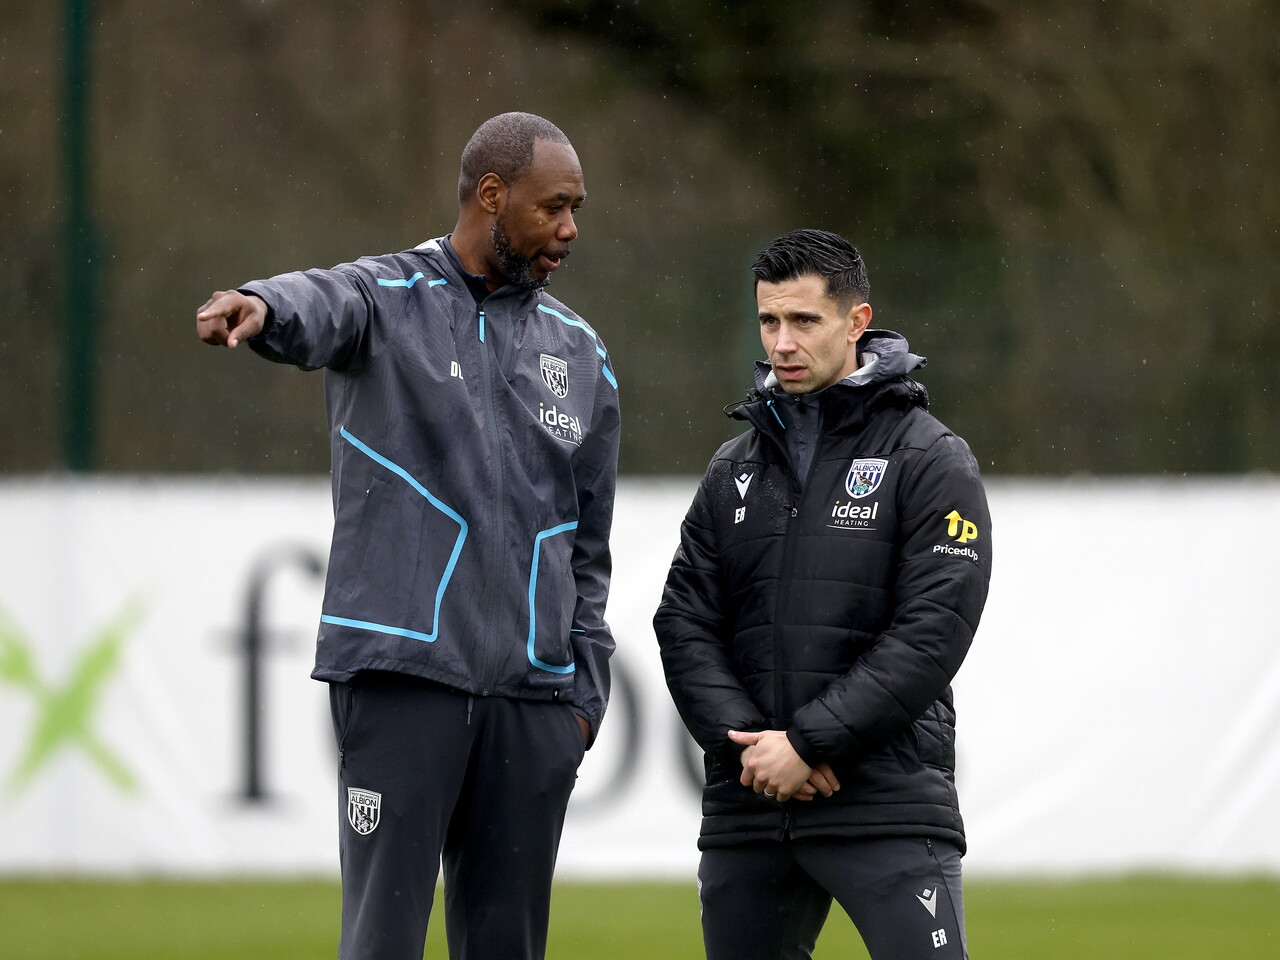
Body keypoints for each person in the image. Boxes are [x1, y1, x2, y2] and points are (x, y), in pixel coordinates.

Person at [196, 112, 620, 960]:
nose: (570, 229)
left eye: (578, 208)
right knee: (383, 943)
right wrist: (262, 304)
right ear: (491, 196)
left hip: (532, 706)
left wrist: (582, 696)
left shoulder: (581, 352)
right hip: (401, 683)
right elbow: (318, 303)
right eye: (555, 206)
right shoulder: (383, 300)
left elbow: (590, 549)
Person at [653, 229, 991, 960]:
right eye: (769, 321)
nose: (782, 343)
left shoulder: (930, 456)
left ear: (856, 322)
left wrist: (809, 743)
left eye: (804, 321)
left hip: (886, 805)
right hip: (750, 809)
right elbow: (683, 621)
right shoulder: (730, 469)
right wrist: (754, 749)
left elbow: (934, 627)